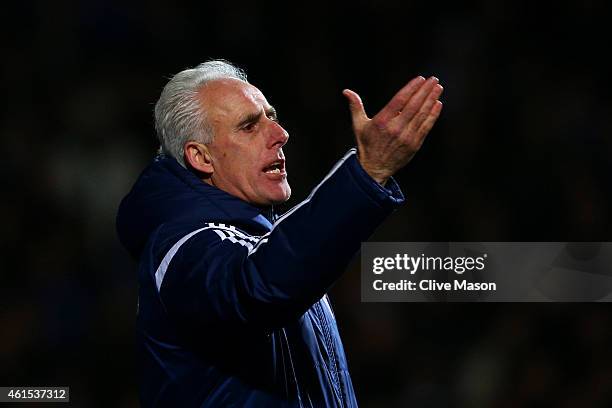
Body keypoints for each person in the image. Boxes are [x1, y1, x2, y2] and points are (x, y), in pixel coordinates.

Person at [116, 60, 443, 407]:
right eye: (249, 126)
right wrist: (366, 176)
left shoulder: (259, 241)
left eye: (271, 116)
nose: (280, 134)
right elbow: (259, 287)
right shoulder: (180, 246)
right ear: (201, 157)